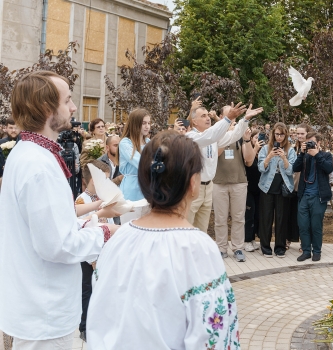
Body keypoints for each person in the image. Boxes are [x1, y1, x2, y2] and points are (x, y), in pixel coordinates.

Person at [86, 131, 240, 348]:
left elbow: (99, 319)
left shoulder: (118, 239)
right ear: (194, 183)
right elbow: (215, 336)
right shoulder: (198, 248)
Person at [0, 71, 119, 348]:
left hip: (38, 307)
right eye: (67, 100)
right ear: (45, 108)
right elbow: (56, 245)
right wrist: (105, 233)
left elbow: (49, 227)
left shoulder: (29, 153)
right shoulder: (37, 164)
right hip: (46, 315)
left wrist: (86, 223)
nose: (74, 108)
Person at [185, 103, 261, 232]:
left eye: (208, 115)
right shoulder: (191, 137)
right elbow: (211, 136)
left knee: (202, 229)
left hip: (208, 186)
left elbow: (233, 136)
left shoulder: (212, 136)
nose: (208, 118)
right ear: (194, 122)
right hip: (192, 187)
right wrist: (227, 118)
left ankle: (200, 252)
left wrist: (245, 120)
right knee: (187, 227)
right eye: (203, 116)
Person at [75, 160, 114, 342]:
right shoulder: (82, 200)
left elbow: (111, 223)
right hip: (89, 256)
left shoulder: (104, 199)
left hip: (104, 251)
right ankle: (84, 326)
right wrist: (92, 259)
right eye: (103, 181)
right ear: (91, 181)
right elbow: (84, 228)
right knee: (87, 289)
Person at [212, 122, 255, 261]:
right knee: (220, 219)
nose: (233, 125)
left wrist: (247, 139)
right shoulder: (215, 137)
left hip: (239, 183)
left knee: (238, 218)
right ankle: (221, 248)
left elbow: (249, 161)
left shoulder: (241, 138)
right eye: (230, 122)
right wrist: (227, 136)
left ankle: (238, 248)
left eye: (235, 123)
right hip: (219, 183)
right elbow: (216, 154)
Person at [292, 132, 333, 262]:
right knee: (303, 225)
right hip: (304, 195)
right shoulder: (304, 156)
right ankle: (306, 251)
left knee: (316, 225)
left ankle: (317, 251)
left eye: (312, 142)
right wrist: (302, 153)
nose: (310, 145)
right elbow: (295, 168)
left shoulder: (326, 155)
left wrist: (317, 155)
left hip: (318, 196)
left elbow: (329, 168)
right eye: (308, 142)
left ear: (319, 143)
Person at [258, 122, 297, 258]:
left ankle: (280, 247)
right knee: (266, 218)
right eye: (277, 134)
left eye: (281, 134)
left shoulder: (290, 150)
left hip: (283, 186)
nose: (279, 137)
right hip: (267, 186)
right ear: (273, 134)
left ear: (285, 135)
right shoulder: (265, 149)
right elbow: (261, 168)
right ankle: (265, 247)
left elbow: (291, 170)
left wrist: (284, 157)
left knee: (281, 218)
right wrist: (269, 156)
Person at [288, 123, 312, 250]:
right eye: (298, 134)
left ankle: (305, 242)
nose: (299, 136)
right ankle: (288, 239)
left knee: (303, 217)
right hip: (293, 185)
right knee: (290, 215)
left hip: (305, 187)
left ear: (307, 134)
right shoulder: (292, 148)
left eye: (302, 133)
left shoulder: (312, 148)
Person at [119, 109, 151, 201]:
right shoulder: (125, 143)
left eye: (149, 123)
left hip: (147, 185)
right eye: (144, 123)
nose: (147, 126)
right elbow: (140, 162)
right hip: (132, 186)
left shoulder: (148, 142)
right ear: (135, 124)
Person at [244, 130, 265, 252]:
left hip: (260, 188)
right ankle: (246, 239)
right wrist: (255, 148)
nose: (258, 140)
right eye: (256, 137)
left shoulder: (263, 152)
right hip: (248, 188)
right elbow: (248, 163)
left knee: (257, 215)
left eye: (259, 138)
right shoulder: (249, 150)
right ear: (251, 138)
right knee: (249, 215)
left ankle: (252, 239)